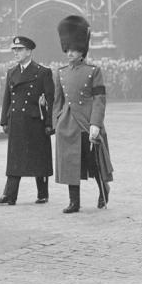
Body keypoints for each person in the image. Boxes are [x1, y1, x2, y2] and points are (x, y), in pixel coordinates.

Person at [52, 15, 111, 214]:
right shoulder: (60, 72)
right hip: (67, 123)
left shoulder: (93, 71)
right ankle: (74, 202)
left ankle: (103, 189)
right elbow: (57, 100)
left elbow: (99, 99)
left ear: (82, 51)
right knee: (70, 164)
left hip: (87, 122)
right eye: (67, 49)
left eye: (74, 50)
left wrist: (96, 123)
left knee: (92, 162)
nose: (70, 53)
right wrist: (57, 120)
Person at [0, 35, 53, 205]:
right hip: (17, 120)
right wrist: (4, 120)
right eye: (14, 50)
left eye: (19, 50)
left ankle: (42, 193)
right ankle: (9, 195)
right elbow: (7, 98)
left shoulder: (43, 72)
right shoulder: (12, 71)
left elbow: (50, 100)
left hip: (35, 121)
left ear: (28, 51)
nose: (15, 53)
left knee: (38, 156)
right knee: (15, 157)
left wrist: (49, 123)